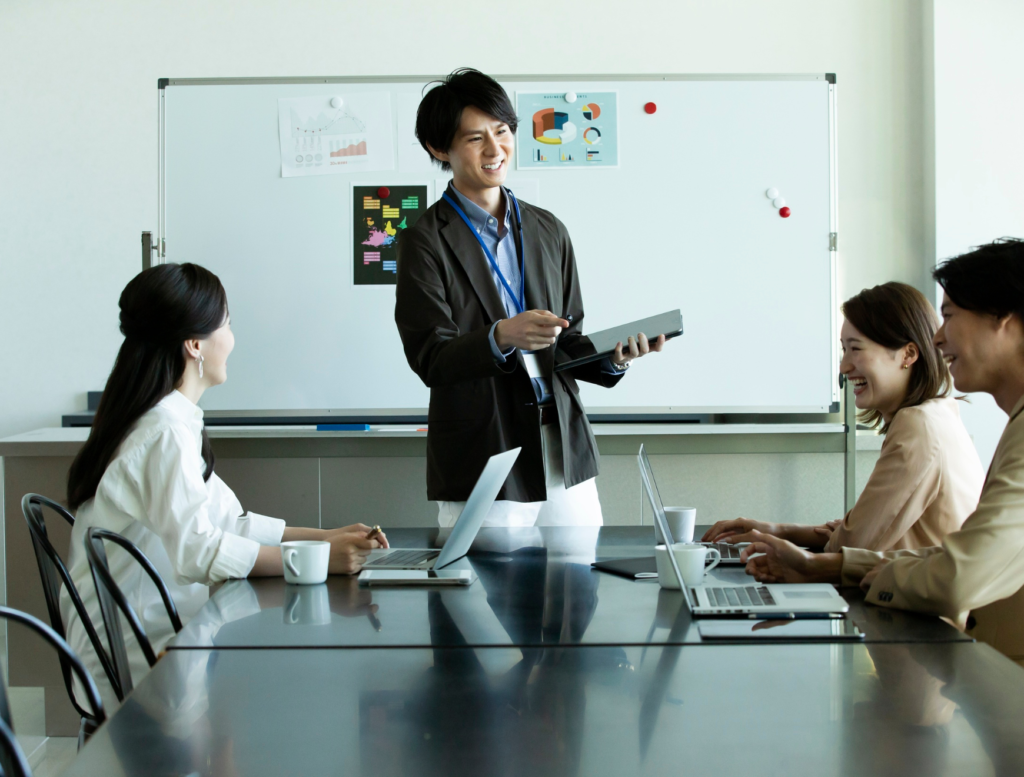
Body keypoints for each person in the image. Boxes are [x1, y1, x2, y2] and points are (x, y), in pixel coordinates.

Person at [62, 263, 388, 704]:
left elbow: (230, 523)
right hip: (141, 660)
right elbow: (199, 552)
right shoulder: (163, 433)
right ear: (195, 344)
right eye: (227, 324)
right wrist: (318, 560)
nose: (232, 339)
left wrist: (327, 538)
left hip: (158, 638)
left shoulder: (168, 421)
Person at [396, 69, 664, 528]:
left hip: (562, 447)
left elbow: (567, 340)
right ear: (439, 149)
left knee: (581, 574)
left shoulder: (548, 228)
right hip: (485, 453)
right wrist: (501, 335)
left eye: (502, 131)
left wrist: (613, 358)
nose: (495, 149)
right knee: (486, 575)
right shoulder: (424, 241)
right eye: (475, 138)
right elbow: (430, 358)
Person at [735, 238, 1024, 665]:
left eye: (949, 316)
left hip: (950, 657)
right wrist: (813, 555)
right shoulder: (965, 418)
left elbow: (956, 573)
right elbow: (955, 553)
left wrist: (831, 563)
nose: (938, 337)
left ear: (1005, 319)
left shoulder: (921, 424)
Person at [703, 282, 983, 553]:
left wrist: (780, 538)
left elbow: (853, 544)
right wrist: (773, 530)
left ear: (907, 354)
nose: (844, 366)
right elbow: (855, 531)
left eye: (856, 349)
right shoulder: (937, 415)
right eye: (843, 350)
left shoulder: (917, 425)